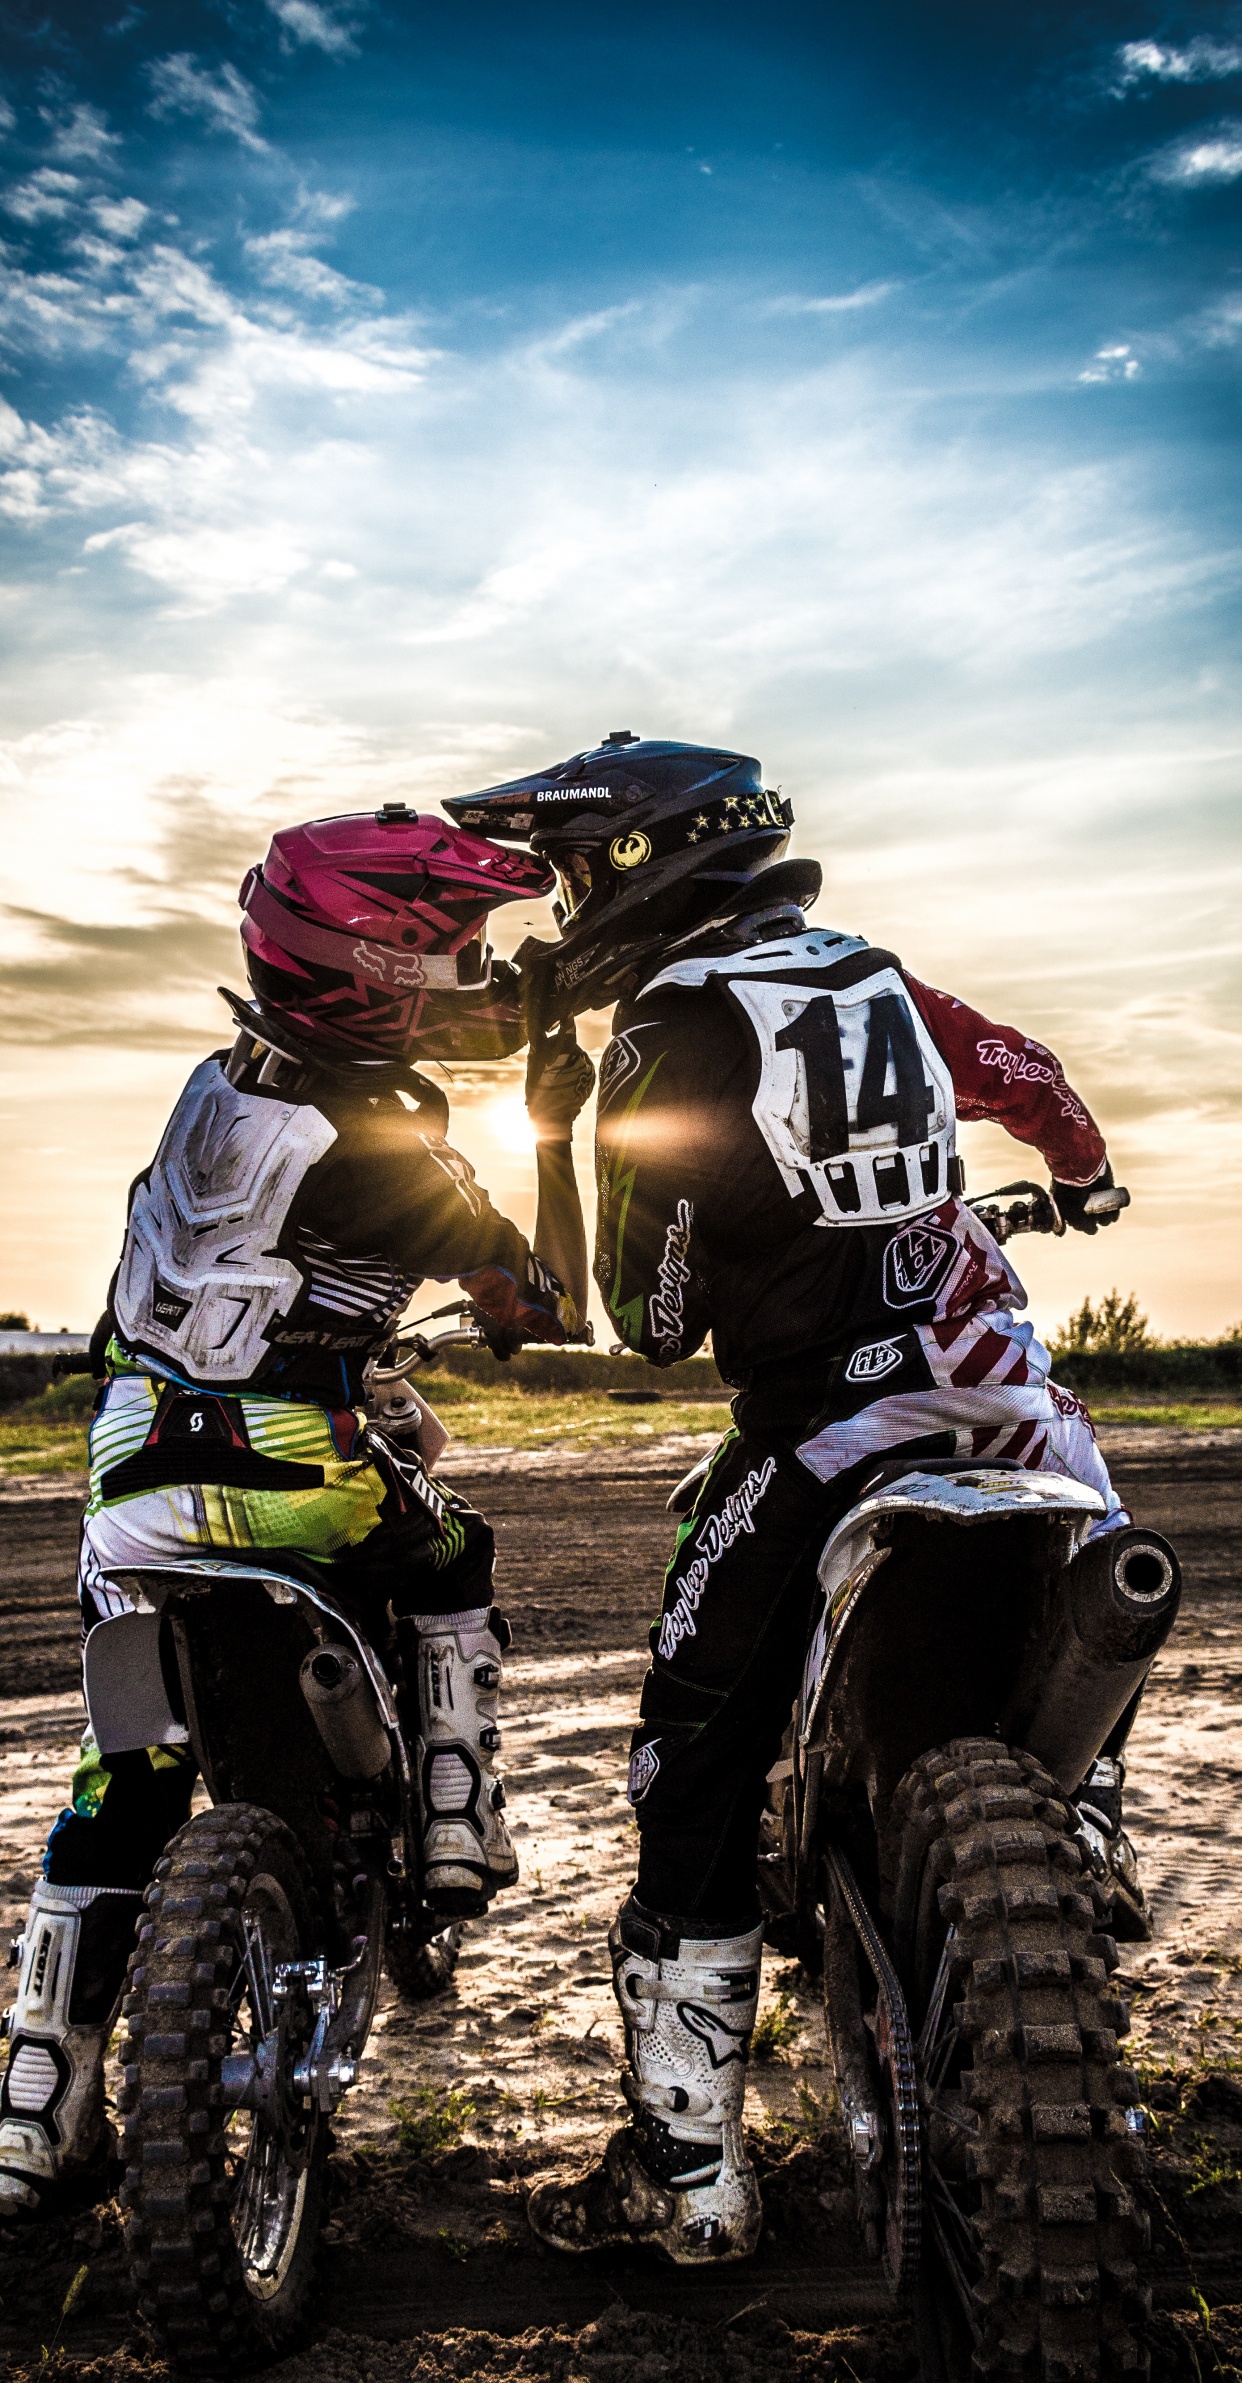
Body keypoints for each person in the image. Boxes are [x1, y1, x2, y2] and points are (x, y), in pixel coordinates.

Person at [442, 733, 1138, 2267]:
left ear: (636, 864)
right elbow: (1024, 1077)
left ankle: (688, 2175)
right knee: (1097, 1615)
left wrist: (563, 1132)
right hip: (1020, 1416)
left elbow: (654, 1315)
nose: (559, 911)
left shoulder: (671, 1031)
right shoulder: (876, 976)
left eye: (567, 871)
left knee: (687, 1762)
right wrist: (1079, 1180)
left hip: (826, 1435)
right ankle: (1088, 1836)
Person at [0, 804, 593, 2221]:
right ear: (375, 969)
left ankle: (38, 2095)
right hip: (289, 1465)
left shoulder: (217, 1085)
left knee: (120, 1781)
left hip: (134, 1472)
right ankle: (454, 1815)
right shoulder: (385, 1145)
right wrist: (560, 1139)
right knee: (453, 1550)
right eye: (453, 952)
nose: (479, 979)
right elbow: (544, 1311)